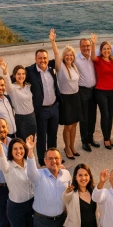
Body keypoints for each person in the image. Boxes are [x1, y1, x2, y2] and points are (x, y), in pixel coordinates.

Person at [50, 29, 84, 160]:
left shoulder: (73, 67)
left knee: (75, 124)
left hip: (76, 97)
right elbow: (56, 53)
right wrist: (53, 41)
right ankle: (67, 147)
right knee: (68, 126)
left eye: (71, 55)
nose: (69, 57)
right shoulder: (61, 67)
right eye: (67, 55)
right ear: (64, 56)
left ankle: (72, 145)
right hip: (66, 98)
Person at [25, 49, 61, 166]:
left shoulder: (51, 69)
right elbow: (14, 77)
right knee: (41, 136)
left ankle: (53, 158)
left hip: (54, 107)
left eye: (44, 58)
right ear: (35, 59)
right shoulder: (30, 71)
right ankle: (42, 161)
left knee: (53, 135)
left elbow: (59, 59)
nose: (42, 60)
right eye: (40, 58)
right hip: (41, 109)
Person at [92, 35, 113, 150]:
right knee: (105, 114)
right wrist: (93, 43)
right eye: (104, 49)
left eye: (108, 49)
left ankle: (108, 136)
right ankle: (106, 139)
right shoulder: (98, 60)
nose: (106, 51)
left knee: (111, 115)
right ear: (101, 50)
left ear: (110, 50)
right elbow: (92, 56)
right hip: (100, 91)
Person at [0, 59, 37, 140]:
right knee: (22, 143)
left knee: (32, 142)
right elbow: (7, 81)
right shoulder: (12, 89)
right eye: (18, 74)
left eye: (23, 74)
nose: (21, 76)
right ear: (14, 75)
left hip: (32, 117)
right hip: (21, 119)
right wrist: (5, 71)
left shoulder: (28, 86)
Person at [76, 37, 99, 152]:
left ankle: (91, 138)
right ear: (80, 47)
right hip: (83, 90)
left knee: (92, 116)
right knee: (84, 118)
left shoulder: (93, 57)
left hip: (94, 90)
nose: (86, 48)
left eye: (88, 46)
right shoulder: (76, 59)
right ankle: (84, 141)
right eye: (83, 46)